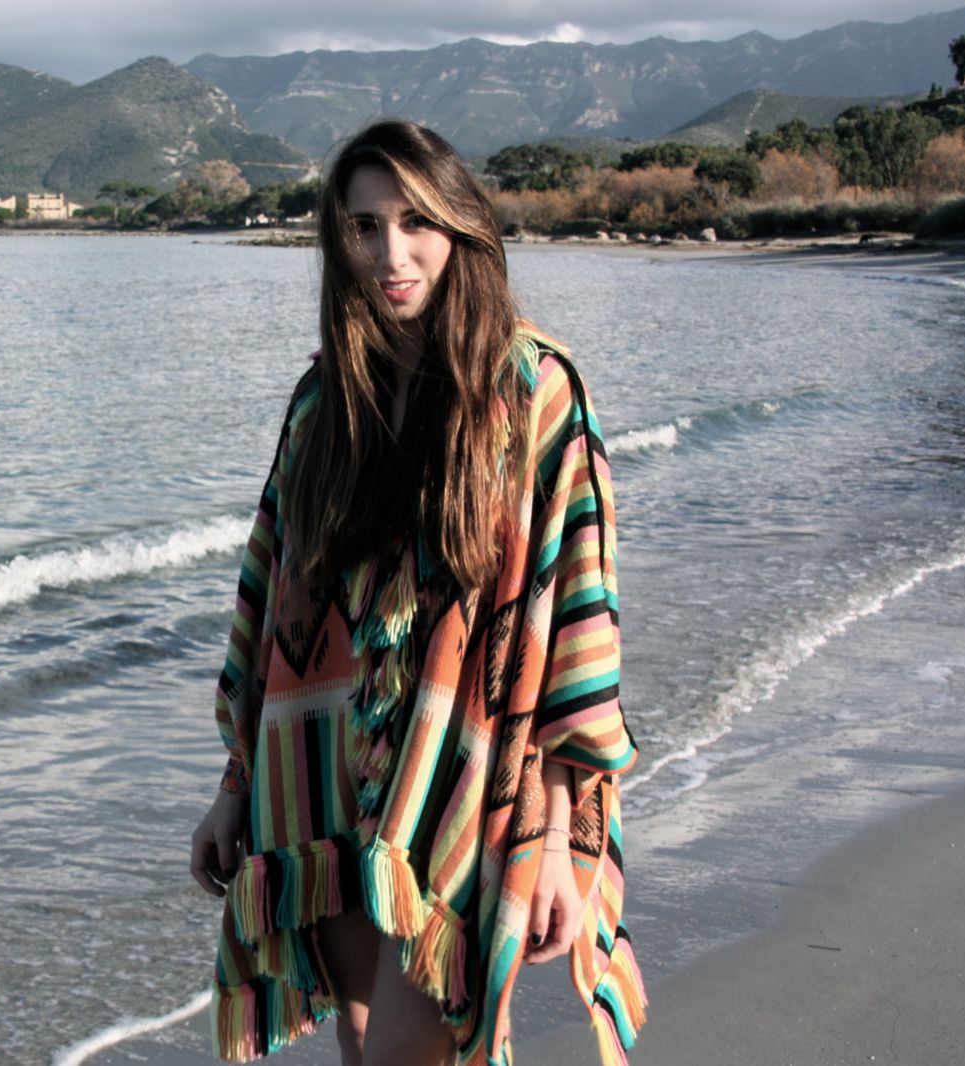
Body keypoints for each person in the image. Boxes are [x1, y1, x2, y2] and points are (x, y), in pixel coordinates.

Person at [188, 120, 646, 1066]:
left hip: (465, 784)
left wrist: (553, 839)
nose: (390, 255)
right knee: (362, 1044)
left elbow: (575, 624)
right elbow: (272, 605)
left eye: (415, 222)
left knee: (409, 1052)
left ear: (460, 226)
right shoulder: (325, 402)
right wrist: (236, 788)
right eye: (364, 227)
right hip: (326, 780)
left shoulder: (534, 389)